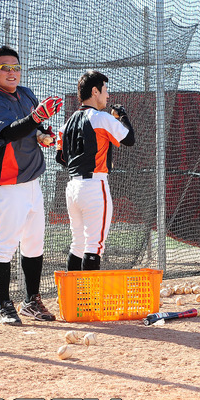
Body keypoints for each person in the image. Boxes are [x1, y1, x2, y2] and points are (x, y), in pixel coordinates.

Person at [0, 45, 63, 325]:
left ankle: (30, 301)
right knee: (3, 247)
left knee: (34, 244)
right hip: (5, 186)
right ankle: (5, 306)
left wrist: (43, 134)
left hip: (31, 183)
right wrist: (37, 118)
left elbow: (32, 127)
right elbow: (6, 133)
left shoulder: (26, 94)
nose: (12, 72)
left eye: (16, 67)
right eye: (5, 68)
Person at [56, 70, 135, 271]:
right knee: (94, 246)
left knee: (77, 244)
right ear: (95, 91)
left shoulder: (67, 124)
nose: (107, 95)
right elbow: (129, 139)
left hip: (73, 187)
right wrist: (122, 115)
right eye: (105, 90)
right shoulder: (100, 117)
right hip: (94, 186)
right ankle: (88, 293)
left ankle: (73, 291)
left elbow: (60, 158)